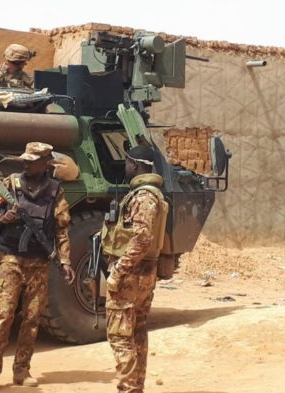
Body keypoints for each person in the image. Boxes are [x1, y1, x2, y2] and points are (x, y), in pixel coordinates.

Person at [0, 142, 75, 388]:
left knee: (32, 318)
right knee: (3, 313)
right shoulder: (11, 184)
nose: (26, 163)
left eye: (32, 160)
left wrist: (64, 260)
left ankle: (21, 370)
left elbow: (61, 230)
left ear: (45, 163)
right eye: (25, 159)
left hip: (39, 262)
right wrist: (3, 217)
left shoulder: (55, 192)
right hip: (12, 257)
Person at [101, 145, 169, 393]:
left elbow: (142, 238)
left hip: (131, 274)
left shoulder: (143, 197)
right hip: (144, 273)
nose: (125, 165)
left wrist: (118, 270)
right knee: (138, 331)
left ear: (138, 165)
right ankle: (135, 386)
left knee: (120, 335)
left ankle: (128, 388)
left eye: (128, 161)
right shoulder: (150, 195)